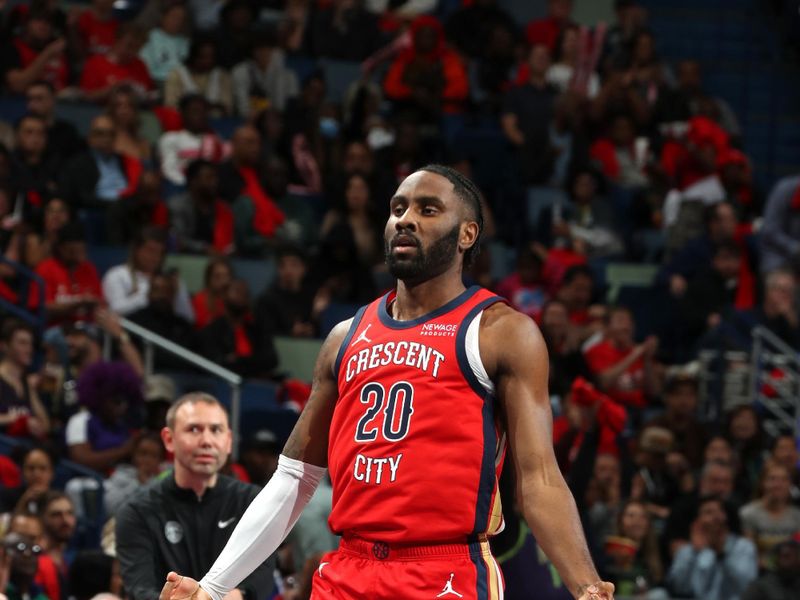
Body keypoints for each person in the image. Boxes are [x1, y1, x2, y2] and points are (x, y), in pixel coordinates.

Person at [160, 165, 614, 600]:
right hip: (348, 569)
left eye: (428, 210)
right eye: (398, 208)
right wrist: (213, 586)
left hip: (444, 568)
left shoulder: (501, 332)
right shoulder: (344, 337)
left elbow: (539, 479)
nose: (406, 220)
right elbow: (294, 478)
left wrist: (586, 587)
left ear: (467, 234)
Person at [116, 393, 276, 600]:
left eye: (216, 430)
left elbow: (261, 579)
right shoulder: (137, 511)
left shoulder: (252, 501)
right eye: (194, 429)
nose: (207, 441)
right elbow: (140, 588)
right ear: (169, 439)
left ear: (228, 441)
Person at [667, 495, 758, 600]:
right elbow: (679, 587)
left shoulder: (743, 547)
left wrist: (721, 554)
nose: (716, 517)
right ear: (697, 521)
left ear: (725, 516)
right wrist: (694, 553)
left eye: (719, 511)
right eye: (708, 512)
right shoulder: (687, 551)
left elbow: (745, 587)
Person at [0, 320, 49, 439]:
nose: (29, 349)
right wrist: (15, 419)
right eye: (22, 343)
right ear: (4, 346)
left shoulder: (27, 384)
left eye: (30, 344)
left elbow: (46, 426)